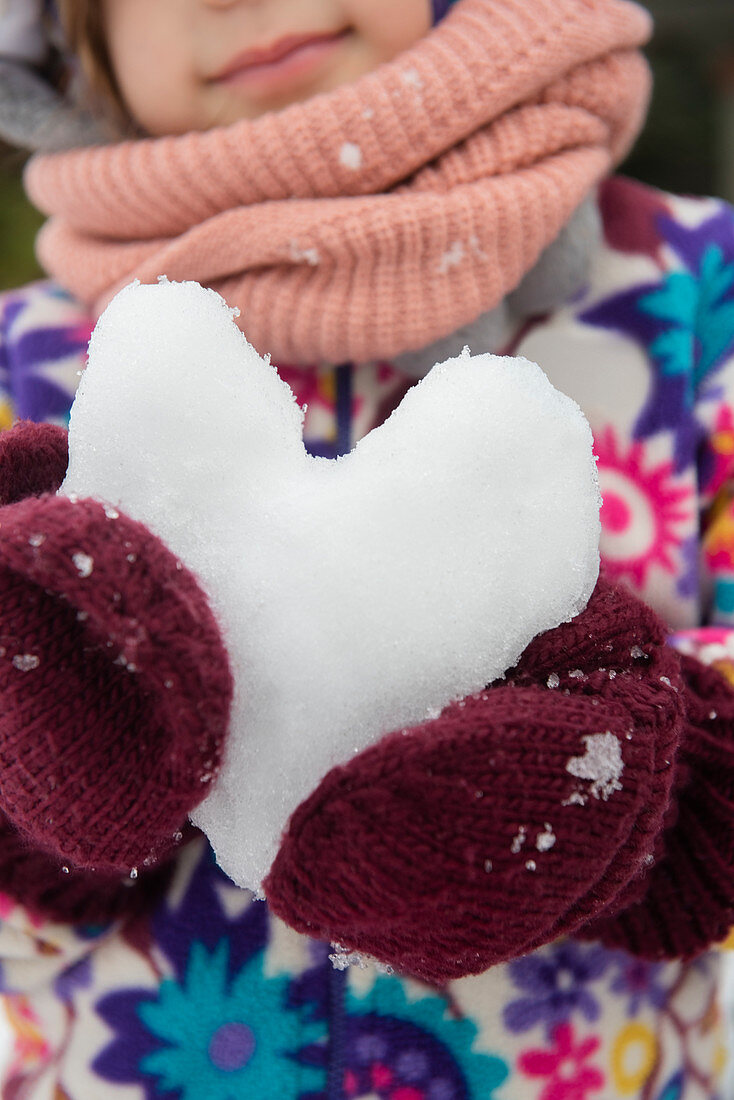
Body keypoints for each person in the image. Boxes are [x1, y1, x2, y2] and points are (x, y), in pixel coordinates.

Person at [0, 0, 733, 1096]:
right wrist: (46, 766)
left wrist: (629, 774)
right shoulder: (28, 364)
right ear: (71, 41)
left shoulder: (693, 299)